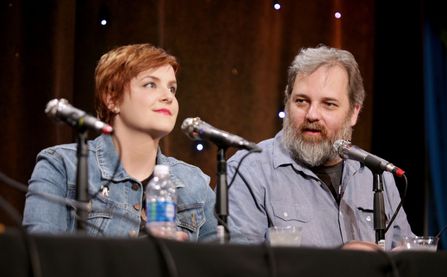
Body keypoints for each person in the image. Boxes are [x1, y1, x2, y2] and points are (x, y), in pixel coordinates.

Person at [23, 43, 217, 241]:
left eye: (172, 88)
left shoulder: (195, 184)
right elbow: (39, 259)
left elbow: (220, 267)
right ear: (112, 98)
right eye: (150, 84)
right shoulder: (62, 166)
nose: (168, 96)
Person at [226, 45, 413, 250]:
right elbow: (240, 269)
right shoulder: (247, 170)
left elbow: (407, 260)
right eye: (301, 101)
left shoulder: (378, 175)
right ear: (287, 102)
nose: (312, 114)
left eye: (328, 104)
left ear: (354, 113)